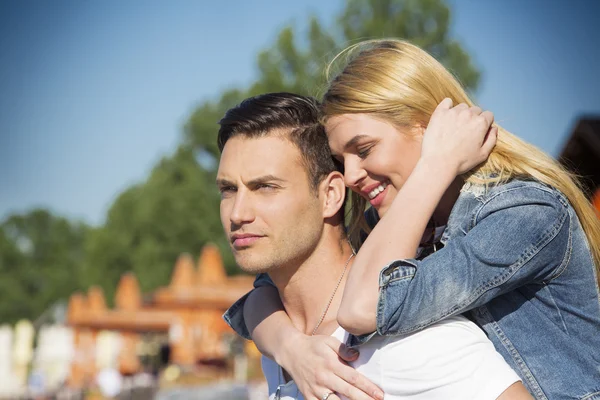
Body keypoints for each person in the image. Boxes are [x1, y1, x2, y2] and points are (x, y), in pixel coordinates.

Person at [225, 40, 600, 400]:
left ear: (429, 127)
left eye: (364, 149)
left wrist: (437, 163)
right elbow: (265, 291)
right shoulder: (402, 223)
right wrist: (292, 348)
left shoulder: (523, 214)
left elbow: (361, 309)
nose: (352, 174)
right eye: (342, 160)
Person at [218, 92, 531, 400]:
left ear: (330, 196)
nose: (237, 213)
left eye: (266, 187)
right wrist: (288, 347)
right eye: (228, 189)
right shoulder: (281, 345)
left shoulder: (405, 340)